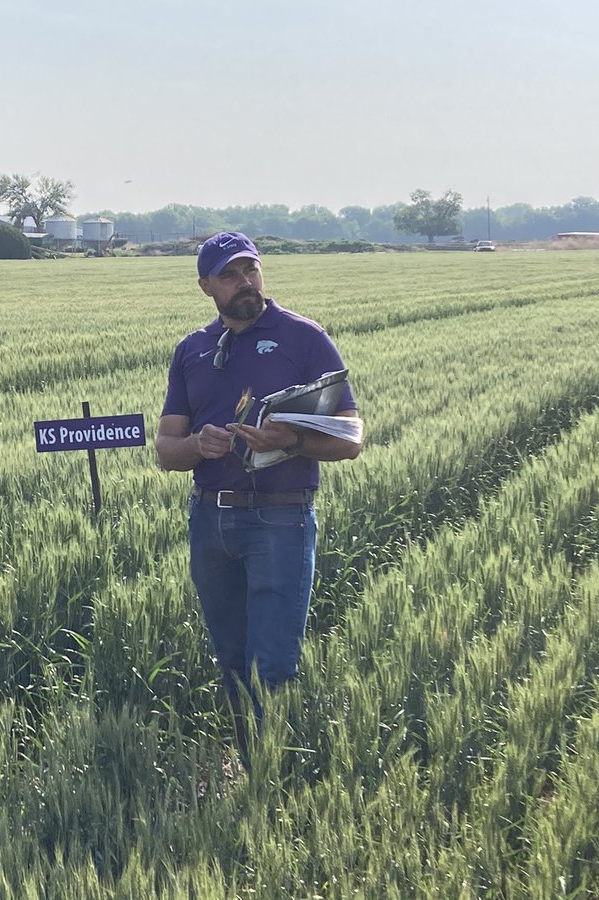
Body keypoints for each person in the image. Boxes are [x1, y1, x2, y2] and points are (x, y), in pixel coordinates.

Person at [155, 233, 361, 758]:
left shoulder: (304, 338)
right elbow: (165, 450)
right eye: (229, 274)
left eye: (251, 270)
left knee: (272, 663)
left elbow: (351, 435)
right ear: (206, 286)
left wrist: (289, 439)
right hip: (210, 522)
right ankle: (251, 759)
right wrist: (199, 445)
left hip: (280, 521)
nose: (245, 282)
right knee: (230, 655)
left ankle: (274, 775)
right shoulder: (193, 351)